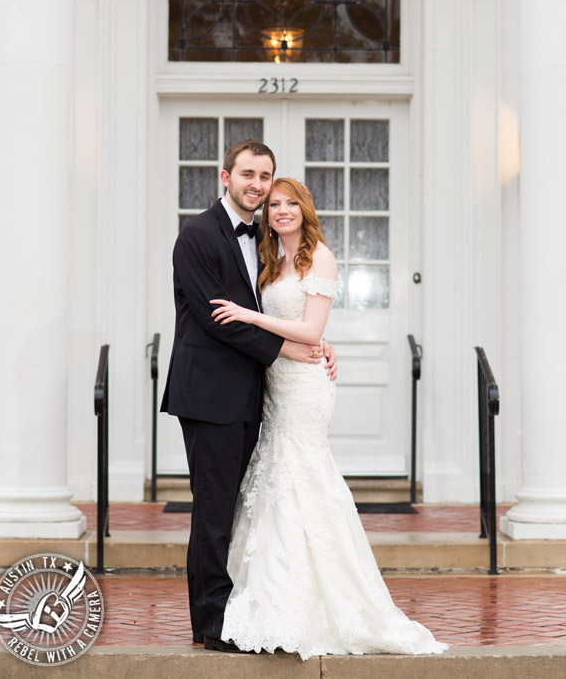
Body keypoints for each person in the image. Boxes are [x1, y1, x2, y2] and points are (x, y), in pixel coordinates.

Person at [210, 177, 448, 660]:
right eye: (273, 204)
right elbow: (298, 326)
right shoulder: (268, 258)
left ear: (304, 208)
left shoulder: (319, 255)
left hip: (304, 388)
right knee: (274, 477)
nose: (279, 211)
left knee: (303, 474)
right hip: (276, 378)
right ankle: (273, 593)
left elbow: (312, 327)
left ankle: (328, 602)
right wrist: (298, 337)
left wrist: (253, 318)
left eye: (288, 203)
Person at [160, 142, 337, 654]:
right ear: (225, 177)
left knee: (239, 509)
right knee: (214, 510)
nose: (258, 185)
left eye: (265, 176)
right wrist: (287, 346)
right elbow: (220, 320)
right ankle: (210, 624)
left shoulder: (266, 242)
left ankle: (240, 608)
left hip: (253, 395)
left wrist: (317, 340)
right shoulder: (196, 236)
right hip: (210, 395)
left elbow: (298, 304)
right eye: (248, 175)